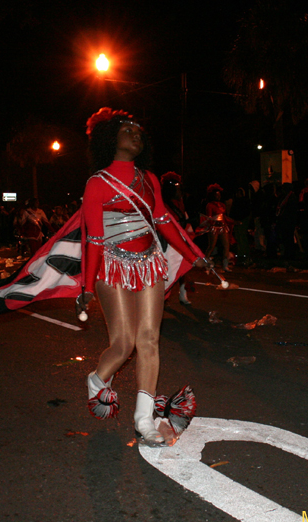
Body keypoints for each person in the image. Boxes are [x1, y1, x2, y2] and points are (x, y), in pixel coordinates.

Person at [77, 108, 209, 446]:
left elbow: (163, 220)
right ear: (110, 139)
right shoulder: (97, 183)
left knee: (149, 339)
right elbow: (92, 238)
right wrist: (87, 285)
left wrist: (194, 254)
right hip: (112, 266)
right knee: (123, 344)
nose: (136, 135)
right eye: (128, 130)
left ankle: (143, 419)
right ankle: (97, 379)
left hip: (150, 262)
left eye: (139, 131)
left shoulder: (149, 179)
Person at [161, 171, 195, 305]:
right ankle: (162, 294)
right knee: (168, 269)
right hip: (167, 241)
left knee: (182, 267)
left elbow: (184, 219)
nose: (180, 192)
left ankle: (183, 293)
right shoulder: (163, 204)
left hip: (180, 238)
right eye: (177, 189)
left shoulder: (180, 202)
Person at [203, 184, 233, 271]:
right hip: (214, 227)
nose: (218, 196)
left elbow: (224, 217)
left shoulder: (222, 205)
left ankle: (225, 265)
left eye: (219, 195)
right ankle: (205, 264)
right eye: (216, 195)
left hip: (223, 227)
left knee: (226, 245)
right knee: (211, 246)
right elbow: (209, 217)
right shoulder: (210, 205)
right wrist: (215, 222)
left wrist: (233, 221)